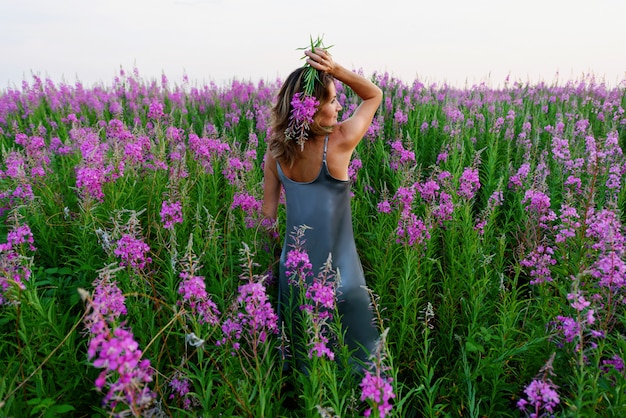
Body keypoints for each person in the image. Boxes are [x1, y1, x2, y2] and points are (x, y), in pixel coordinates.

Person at [262, 47, 383, 369]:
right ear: (312, 110)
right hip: (341, 269)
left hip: (295, 267)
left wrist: (270, 261)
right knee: (359, 355)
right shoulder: (341, 139)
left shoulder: (275, 152)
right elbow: (373, 96)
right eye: (331, 101)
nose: (339, 105)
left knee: (302, 351)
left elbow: (267, 219)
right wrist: (337, 69)